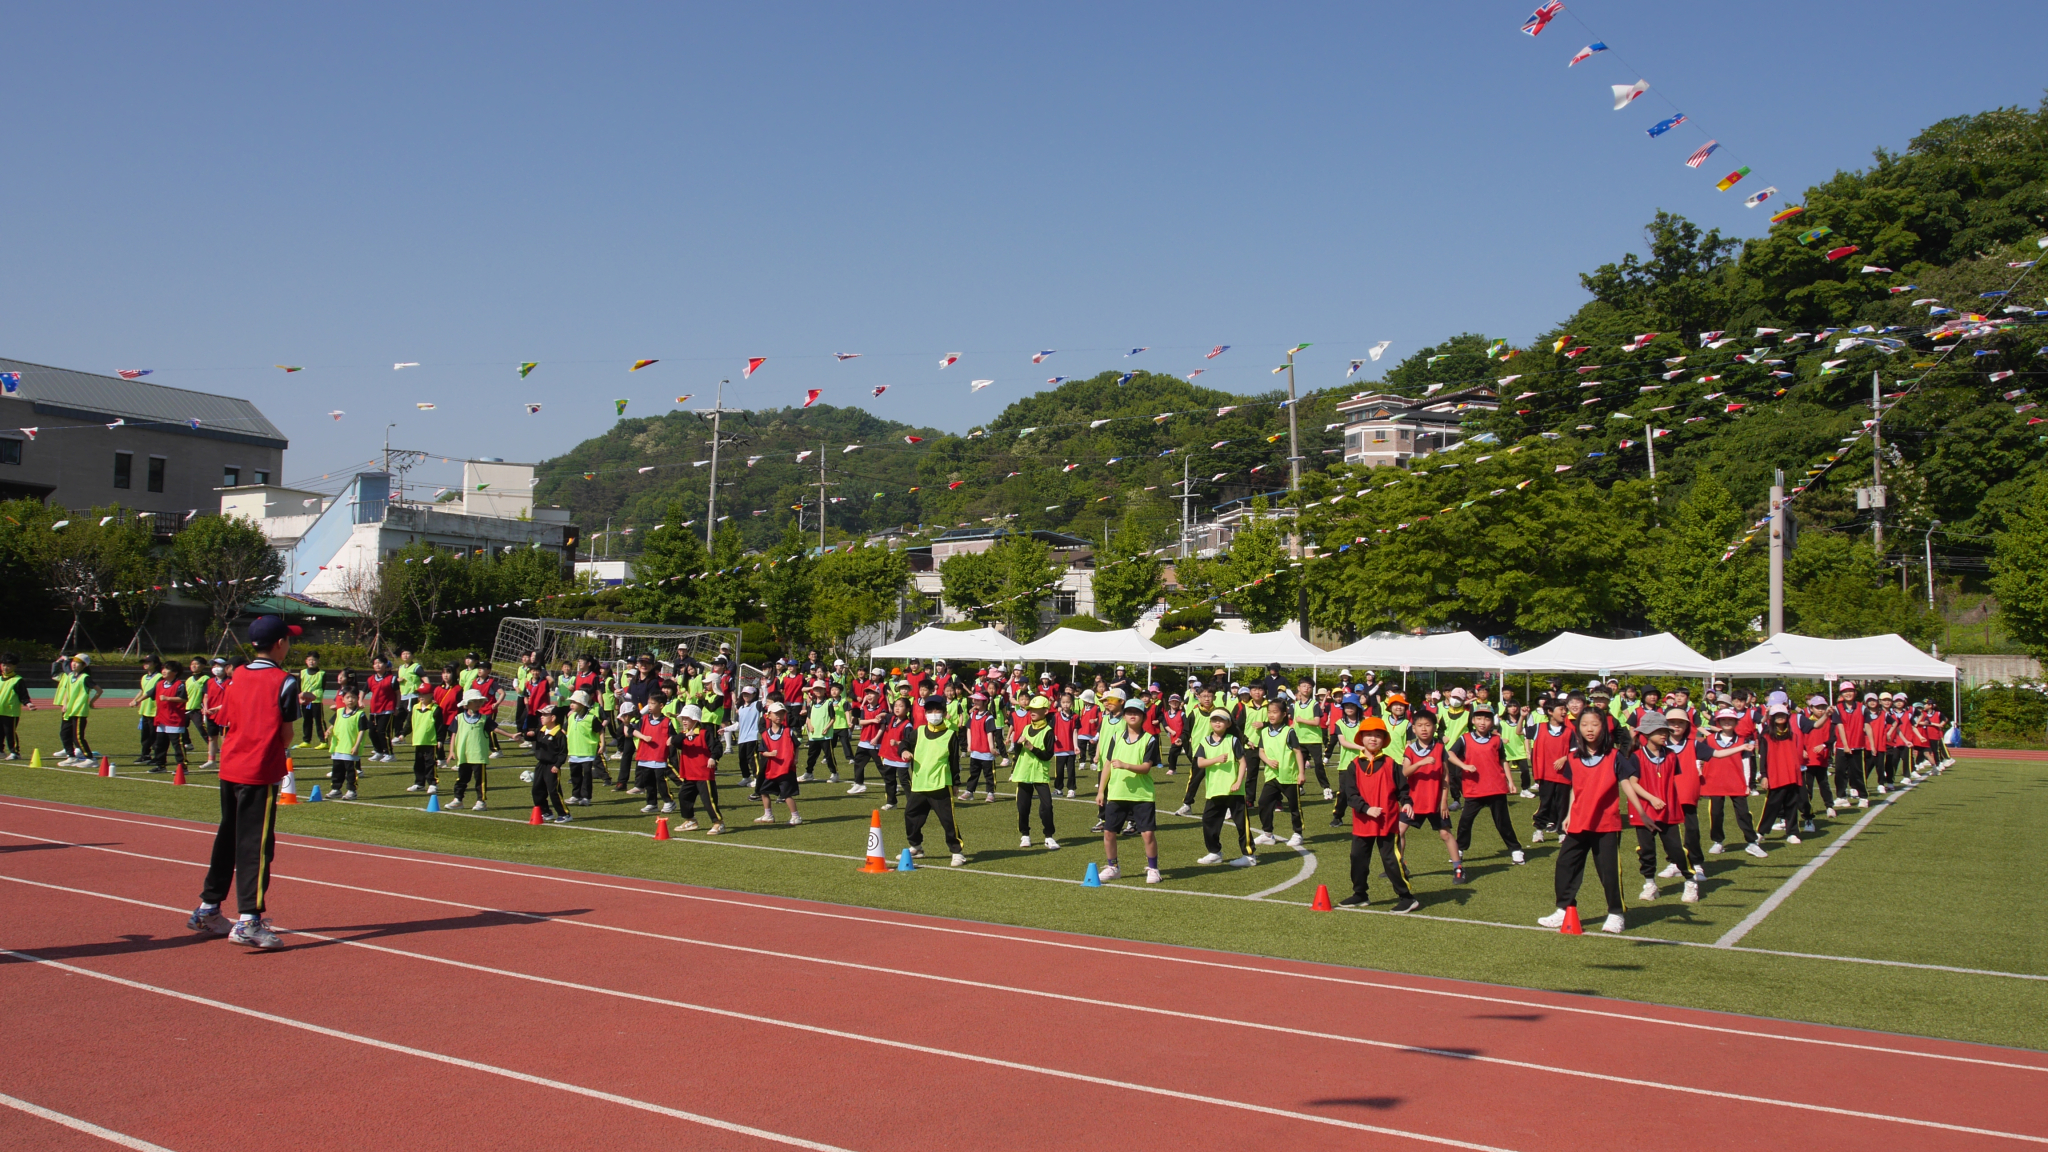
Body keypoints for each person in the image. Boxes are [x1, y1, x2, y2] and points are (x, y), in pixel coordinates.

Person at [188, 614, 302, 950]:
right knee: (256, 845)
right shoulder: (285, 681)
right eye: (288, 640)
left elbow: (227, 718)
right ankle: (249, 920)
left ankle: (208, 907)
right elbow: (285, 733)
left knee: (228, 836)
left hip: (231, 766)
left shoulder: (236, 676)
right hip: (258, 769)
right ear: (280, 643)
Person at [1538, 707, 1664, 935]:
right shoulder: (1573, 757)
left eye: (1594, 724)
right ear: (1578, 728)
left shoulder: (1614, 756)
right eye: (1584, 724)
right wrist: (1568, 814)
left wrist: (1643, 813)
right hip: (1578, 822)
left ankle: (1616, 913)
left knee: (1608, 872)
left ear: (1603, 728)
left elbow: (1626, 784)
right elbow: (1576, 786)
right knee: (1565, 865)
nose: (1589, 729)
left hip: (1606, 824)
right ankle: (1564, 909)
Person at [1339, 716, 1418, 911]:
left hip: (1387, 822)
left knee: (1391, 860)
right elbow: (1351, 795)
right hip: (1362, 822)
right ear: (1361, 738)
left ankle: (1407, 897)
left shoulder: (1392, 764)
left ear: (1384, 740)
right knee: (1358, 859)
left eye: (1378, 736)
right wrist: (1366, 809)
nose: (1373, 739)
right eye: (1369, 735)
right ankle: (1360, 894)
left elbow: (1403, 789)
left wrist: (1406, 802)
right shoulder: (1354, 765)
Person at [1626, 711, 1696, 905]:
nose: (1664, 734)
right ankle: (1650, 883)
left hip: (1668, 810)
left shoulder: (1671, 755)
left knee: (1675, 849)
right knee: (1646, 850)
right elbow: (1633, 783)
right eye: (1659, 731)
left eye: (1665, 730)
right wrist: (1652, 798)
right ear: (1647, 733)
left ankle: (1690, 881)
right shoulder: (1636, 757)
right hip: (1644, 811)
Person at [1447, 704, 1526, 870]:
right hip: (1474, 788)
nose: (1483, 722)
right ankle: (1460, 849)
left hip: (1495, 787)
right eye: (1479, 718)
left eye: (1487, 718)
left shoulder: (1497, 740)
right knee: (1465, 821)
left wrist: (1510, 782)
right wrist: (1464, 766)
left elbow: (1503, 760)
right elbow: (1450, 754)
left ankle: (1516, 849)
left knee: (1502, 821)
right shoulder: (1465, 739)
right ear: (1474, 720)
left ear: (1492, 722)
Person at [1095, 699, 1162, 883]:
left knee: (1147, 833)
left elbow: (1146, 767)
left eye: (1137, 713)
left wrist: (1125, 765)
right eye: (1129, 712)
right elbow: (1108, 763)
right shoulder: (1116, 737)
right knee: (1109, 832)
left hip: (1142, 794)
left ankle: (1153, 868)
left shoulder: (1150, 739)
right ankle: (1113, 866)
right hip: (1117, 792)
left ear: (1143, 716)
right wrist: (1101, 790)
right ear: (1124, 715)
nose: (1133, 716)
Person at [900, 697, 965, 863]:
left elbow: (954, 762)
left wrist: (956, 783)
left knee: (947, 820)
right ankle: (916, 847)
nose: (933, 714)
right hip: (920, 783)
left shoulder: (951, 735)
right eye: (929, 711)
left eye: (937, 711)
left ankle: (957, 852)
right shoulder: (918, 731)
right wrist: (904, 752)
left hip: (940, 784)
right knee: (911, 815)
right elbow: (904, 744)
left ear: (944, 713)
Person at [1192, 707, 1255, 868]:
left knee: (1242, 823)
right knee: (1209, 821)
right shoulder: (1205, 741)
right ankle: (1214, 852)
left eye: (1221, 720)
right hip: (1214, 789)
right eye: (1214, 720)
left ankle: (1249, 855)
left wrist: (1238, 781)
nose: (1217, 723)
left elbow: (1242, 762)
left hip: (1234, 790)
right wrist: (1216, 759)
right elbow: (1200, 763)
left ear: (1228, 723)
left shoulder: (1233, 740)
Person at [1253, 698, 1305, 848]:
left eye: (1275, 712)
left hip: (1289, 776)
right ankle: (1268, 833)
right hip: (1272, 776)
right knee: (1263, 802)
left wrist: (1301, 773)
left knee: (1294, 806)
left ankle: (1297, 833)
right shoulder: (1264, 732)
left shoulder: (1289, 731)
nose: (1271, 715)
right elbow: (1261, 751)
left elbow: (1297, 752)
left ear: (1283, 714)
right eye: (1269, 712)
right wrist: (1268, 761)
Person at [1010, 695, 1059, 850]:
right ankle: (1025, 835)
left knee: (1047, 806)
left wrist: (1032, 747)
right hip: (1024, 773)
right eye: (1031, 709)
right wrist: (1017, 745)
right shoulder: (1025, 728)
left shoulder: (1049, 731)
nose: (1032, 712)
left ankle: (1049, 836)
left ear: (1045, 711)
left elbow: (1048, 755)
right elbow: (1018, 751)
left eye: (1036, 709)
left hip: (1040, 774)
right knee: (1023, 807)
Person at [1755, 704, 1808, 845]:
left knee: (1791, 805)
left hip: (1792, 775)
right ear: (1772, 718)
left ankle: (1792, 832)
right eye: (1777, 715)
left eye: (1782, 715)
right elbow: (1763, 757)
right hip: (1776, 775)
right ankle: (1761, 832)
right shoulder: (1766, 736)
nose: (1780, 718)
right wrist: (1764, 775)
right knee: (1772, 806)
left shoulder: (1793, 735)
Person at [754, 702, 801, 825]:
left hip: (786, 769)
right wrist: (770, 754)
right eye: (776, 714)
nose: (779, 716)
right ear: (769, 715)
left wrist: (795, 758)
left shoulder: (788, 732)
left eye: (781, 713)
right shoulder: (765, 734)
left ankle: (796, 816)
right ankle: (768, 814)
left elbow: (796, 746)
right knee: (763, 791)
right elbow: (762, 751)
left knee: (786, 795)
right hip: (772, 769)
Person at [448, 688, 494, 810]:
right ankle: (458, 799)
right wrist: (452, 751)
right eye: (474, 701)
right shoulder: (459, 718)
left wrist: (511, 735)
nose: (478, 704)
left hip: (479, 754)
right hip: (464, 754)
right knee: (462, 778)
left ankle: (481, 801)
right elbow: (454, 734)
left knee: (480, 780)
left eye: (479, 701)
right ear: (467, 704)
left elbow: (495, 729)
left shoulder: (484, 719)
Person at [54, 654, 101, 767]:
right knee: (64, 734)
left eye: (78, 663)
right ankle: (71, 757)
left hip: (79, 711)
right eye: (73, 662)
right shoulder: (70, 676)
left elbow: (99, 690)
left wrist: (91, 702)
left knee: (78, 737)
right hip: (69, 711)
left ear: (83, 666)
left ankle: (91, 759)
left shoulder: (85, 678)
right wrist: (65, 704)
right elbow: (67, 692)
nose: (74, 664)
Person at [148, 658, 192, 774]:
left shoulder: (179, 685)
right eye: (163, 668)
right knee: (160, 744)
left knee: (177, 745)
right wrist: (137, 700)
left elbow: (183, 699)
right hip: (161, 719)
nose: (164, 671)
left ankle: (182, 767)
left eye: (167, 669)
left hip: (174, 719)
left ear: (175, 672)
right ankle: (160, 765)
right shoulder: (160, 684)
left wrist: (168, 698)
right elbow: (149, 694)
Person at [326, 687, 364, 800]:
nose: (350, 700)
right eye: (348, 697)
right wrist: (329, 730)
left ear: (357, 699)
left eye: (353, 697)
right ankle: (336, 789)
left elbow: (362, 730)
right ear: (343, 699)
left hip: (350, 747)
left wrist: (356, 746)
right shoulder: (339, 712)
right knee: (337, 769)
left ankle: (351, 790)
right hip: (338, 746)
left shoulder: (360, 714)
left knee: (350, 770)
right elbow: (335, 723)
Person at [129, 654, 165, 766]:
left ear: (155, 664)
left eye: (148, 662)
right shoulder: (144, 677)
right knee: (145, 735)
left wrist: (138, 700)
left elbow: (152, 692)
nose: (145, 664)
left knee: (154, 735)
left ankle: (157, 757)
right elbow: (143, 690)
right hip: (145, 709)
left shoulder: (159, 677)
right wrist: (134, 700)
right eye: (144, 662)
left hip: (154, 710)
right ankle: (145, 755)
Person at [296, 653, 328, 747]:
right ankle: (306, 740)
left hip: (316, 700)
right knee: (307, 720)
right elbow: (298, 686)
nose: (311, 662)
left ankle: (323, 741)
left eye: (313, 660)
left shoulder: (322, 673)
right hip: (306, 701)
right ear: (306, 661)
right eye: (309, 660)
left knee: (319, 721)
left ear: (318, 661)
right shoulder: (302, 672)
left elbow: (323, 686)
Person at [0, 652, 22, 760]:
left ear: (14, 666)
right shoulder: (0, 679)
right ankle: (1, 751)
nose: (5, 668)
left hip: (10, 712)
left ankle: (15, 752)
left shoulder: (17, 680)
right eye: (3, 665)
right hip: (0, 710)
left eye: (8, 665)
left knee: (10, 733)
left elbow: (23, 695)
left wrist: (28, 703)